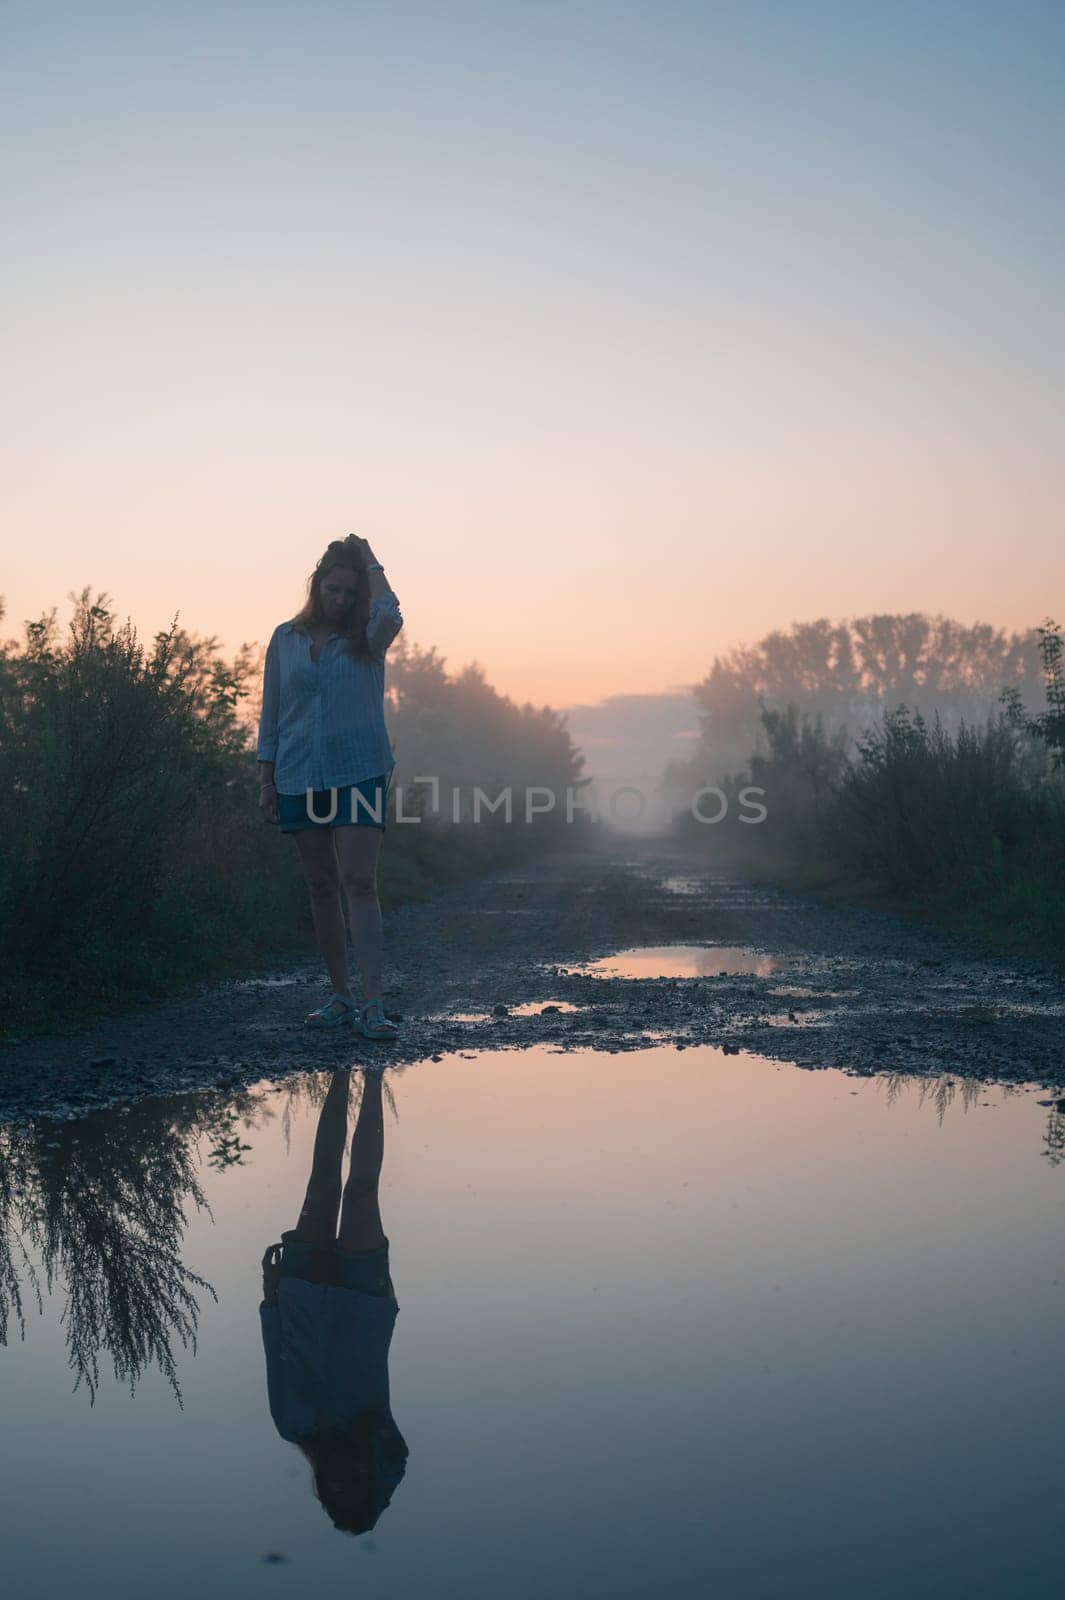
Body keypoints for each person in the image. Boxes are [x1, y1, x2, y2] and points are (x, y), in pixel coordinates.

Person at [256, 534, 404, 1037]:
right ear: (316, 586)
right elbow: (272, 712)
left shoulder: (369, 635)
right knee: (321, 885)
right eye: (332, 589)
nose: (340, 600)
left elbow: (392, 611)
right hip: (298, 772)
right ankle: (341, 996)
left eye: (349, 591)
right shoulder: (285, 639)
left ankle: (373, 1004)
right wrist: (266, 777)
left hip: (359, 769)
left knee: (359, 882)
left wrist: (369, 558)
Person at [260, 1068, 409, 1536]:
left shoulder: (292, 1426)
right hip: (364, 1304)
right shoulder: (378, 1438)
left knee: (321, 1183)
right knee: (360, 1190)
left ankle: (342, 1071)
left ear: (321, 1486)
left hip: (301, 1296)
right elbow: (395, 1468)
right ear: (369, 1481)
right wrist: (372, 1504)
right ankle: (374, 1073)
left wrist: (270, 1295)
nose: (341, 1482)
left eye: (333, 1492)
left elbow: (275, 1357)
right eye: (355, 1489)